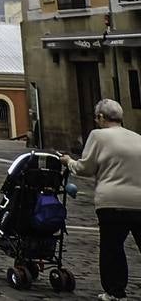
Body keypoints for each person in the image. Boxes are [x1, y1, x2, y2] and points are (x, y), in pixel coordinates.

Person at [59, 99, 141, 301]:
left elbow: (85, 168)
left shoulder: (98, 135)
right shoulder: (138, 138)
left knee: (112, 248)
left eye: (97, 118)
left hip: (111, 201)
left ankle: (115, 292)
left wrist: (69, 161)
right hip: (139, 201)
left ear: (102, 118)